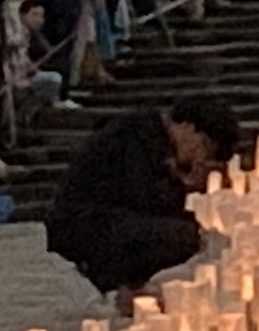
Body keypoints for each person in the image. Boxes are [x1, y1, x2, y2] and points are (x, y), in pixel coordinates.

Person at [44, 92, 240, 304]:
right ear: (189, 128)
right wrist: (182, 182)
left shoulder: (151, 135)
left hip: (107, 218)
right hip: (84, 224)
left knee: (186, 230)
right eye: (203, 147)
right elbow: (144, 201)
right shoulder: (136, 136)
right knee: (182, 236)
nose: (200, 157)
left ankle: (130, 286)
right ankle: (122, 289)